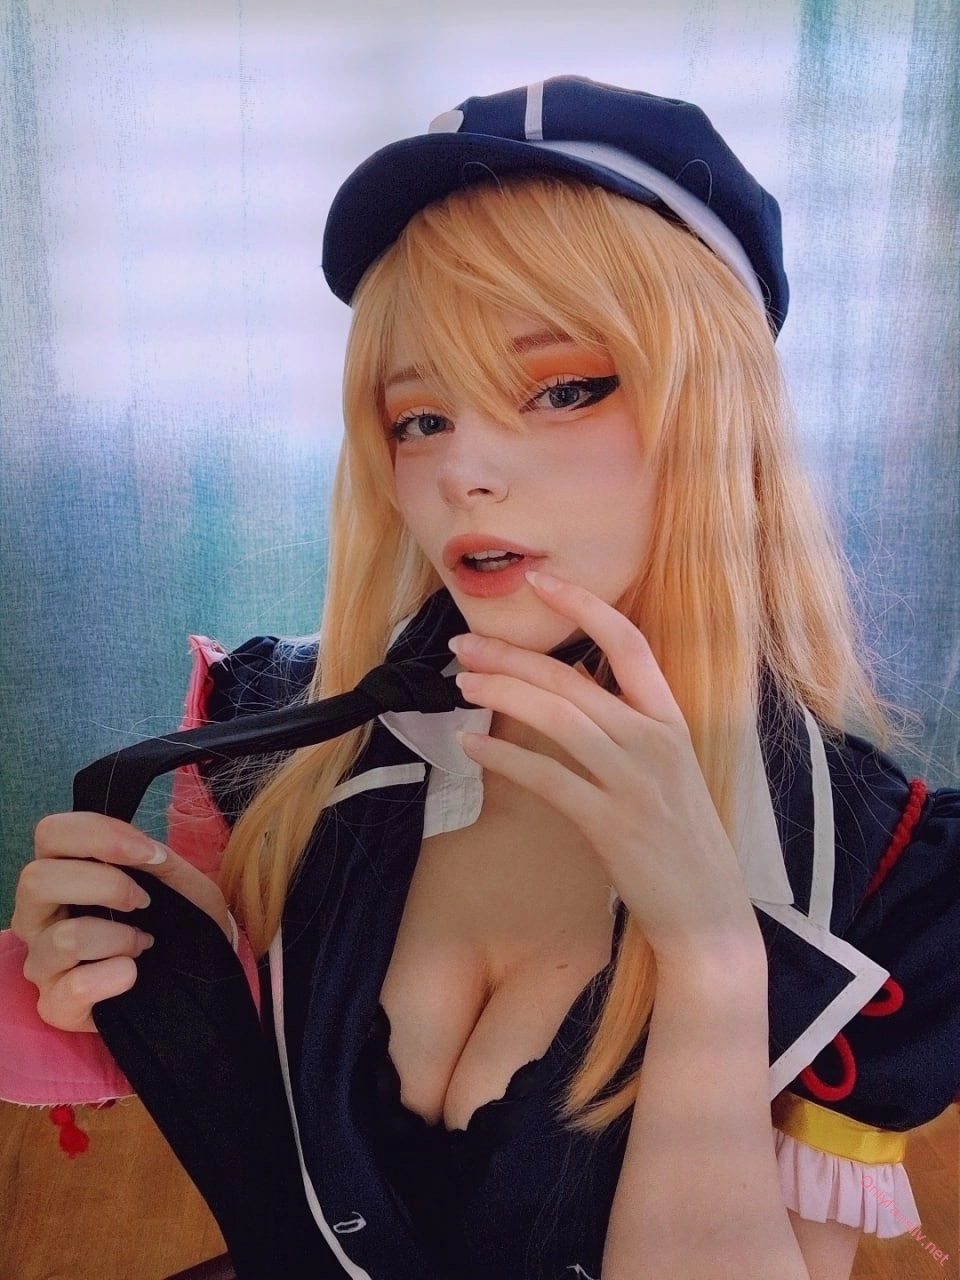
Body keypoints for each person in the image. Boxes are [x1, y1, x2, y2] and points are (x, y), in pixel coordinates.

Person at [3, 75, 959, 1280]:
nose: (464, 472)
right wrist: (145, 969)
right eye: (419, 417)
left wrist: (712, 955)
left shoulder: (879, 871)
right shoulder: (282, 747)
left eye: (563, 388)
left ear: (720, 417)